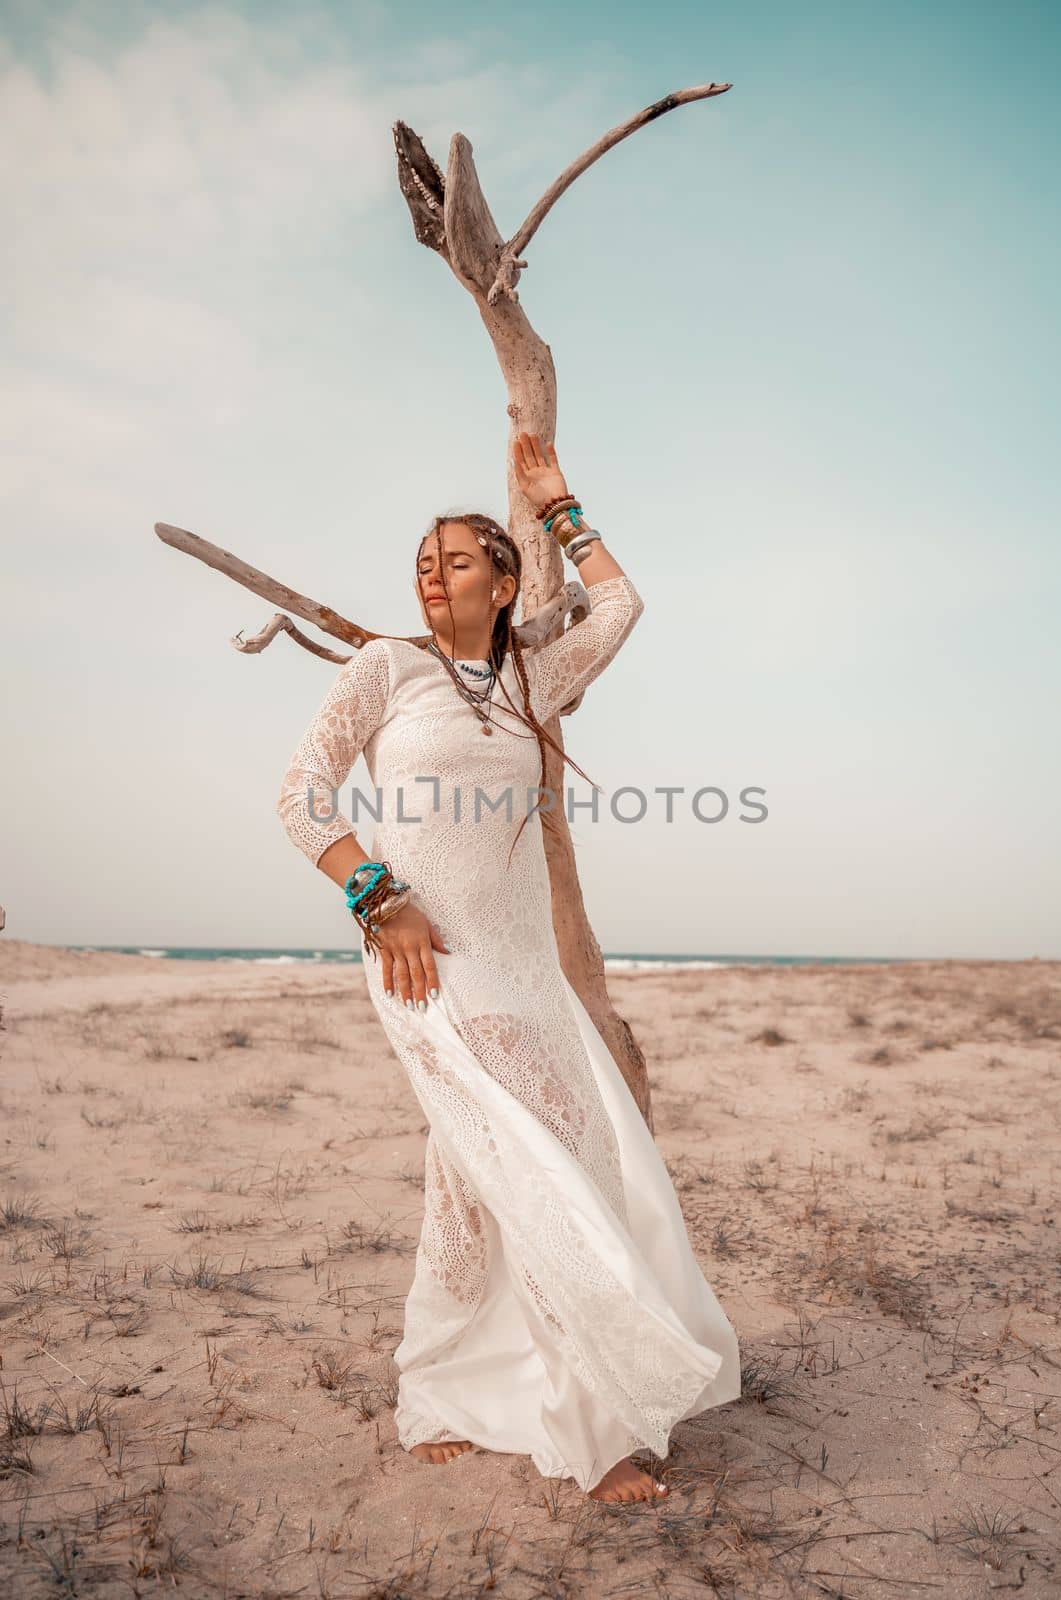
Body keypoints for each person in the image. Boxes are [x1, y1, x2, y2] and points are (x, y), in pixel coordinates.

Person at [277, 432, 741, 1504]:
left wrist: (562, 504)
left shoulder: (534, 669)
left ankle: (442, 1388)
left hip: (527, 969)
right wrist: (374, 895)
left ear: (504, 577)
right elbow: (301, 794)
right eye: (421, 560)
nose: (431, 572)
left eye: (455, 558)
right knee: (535, 1171)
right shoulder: (383, 669)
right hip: (428, 965)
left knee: (476, 1173)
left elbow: (619, 608)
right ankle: (597, 1426)